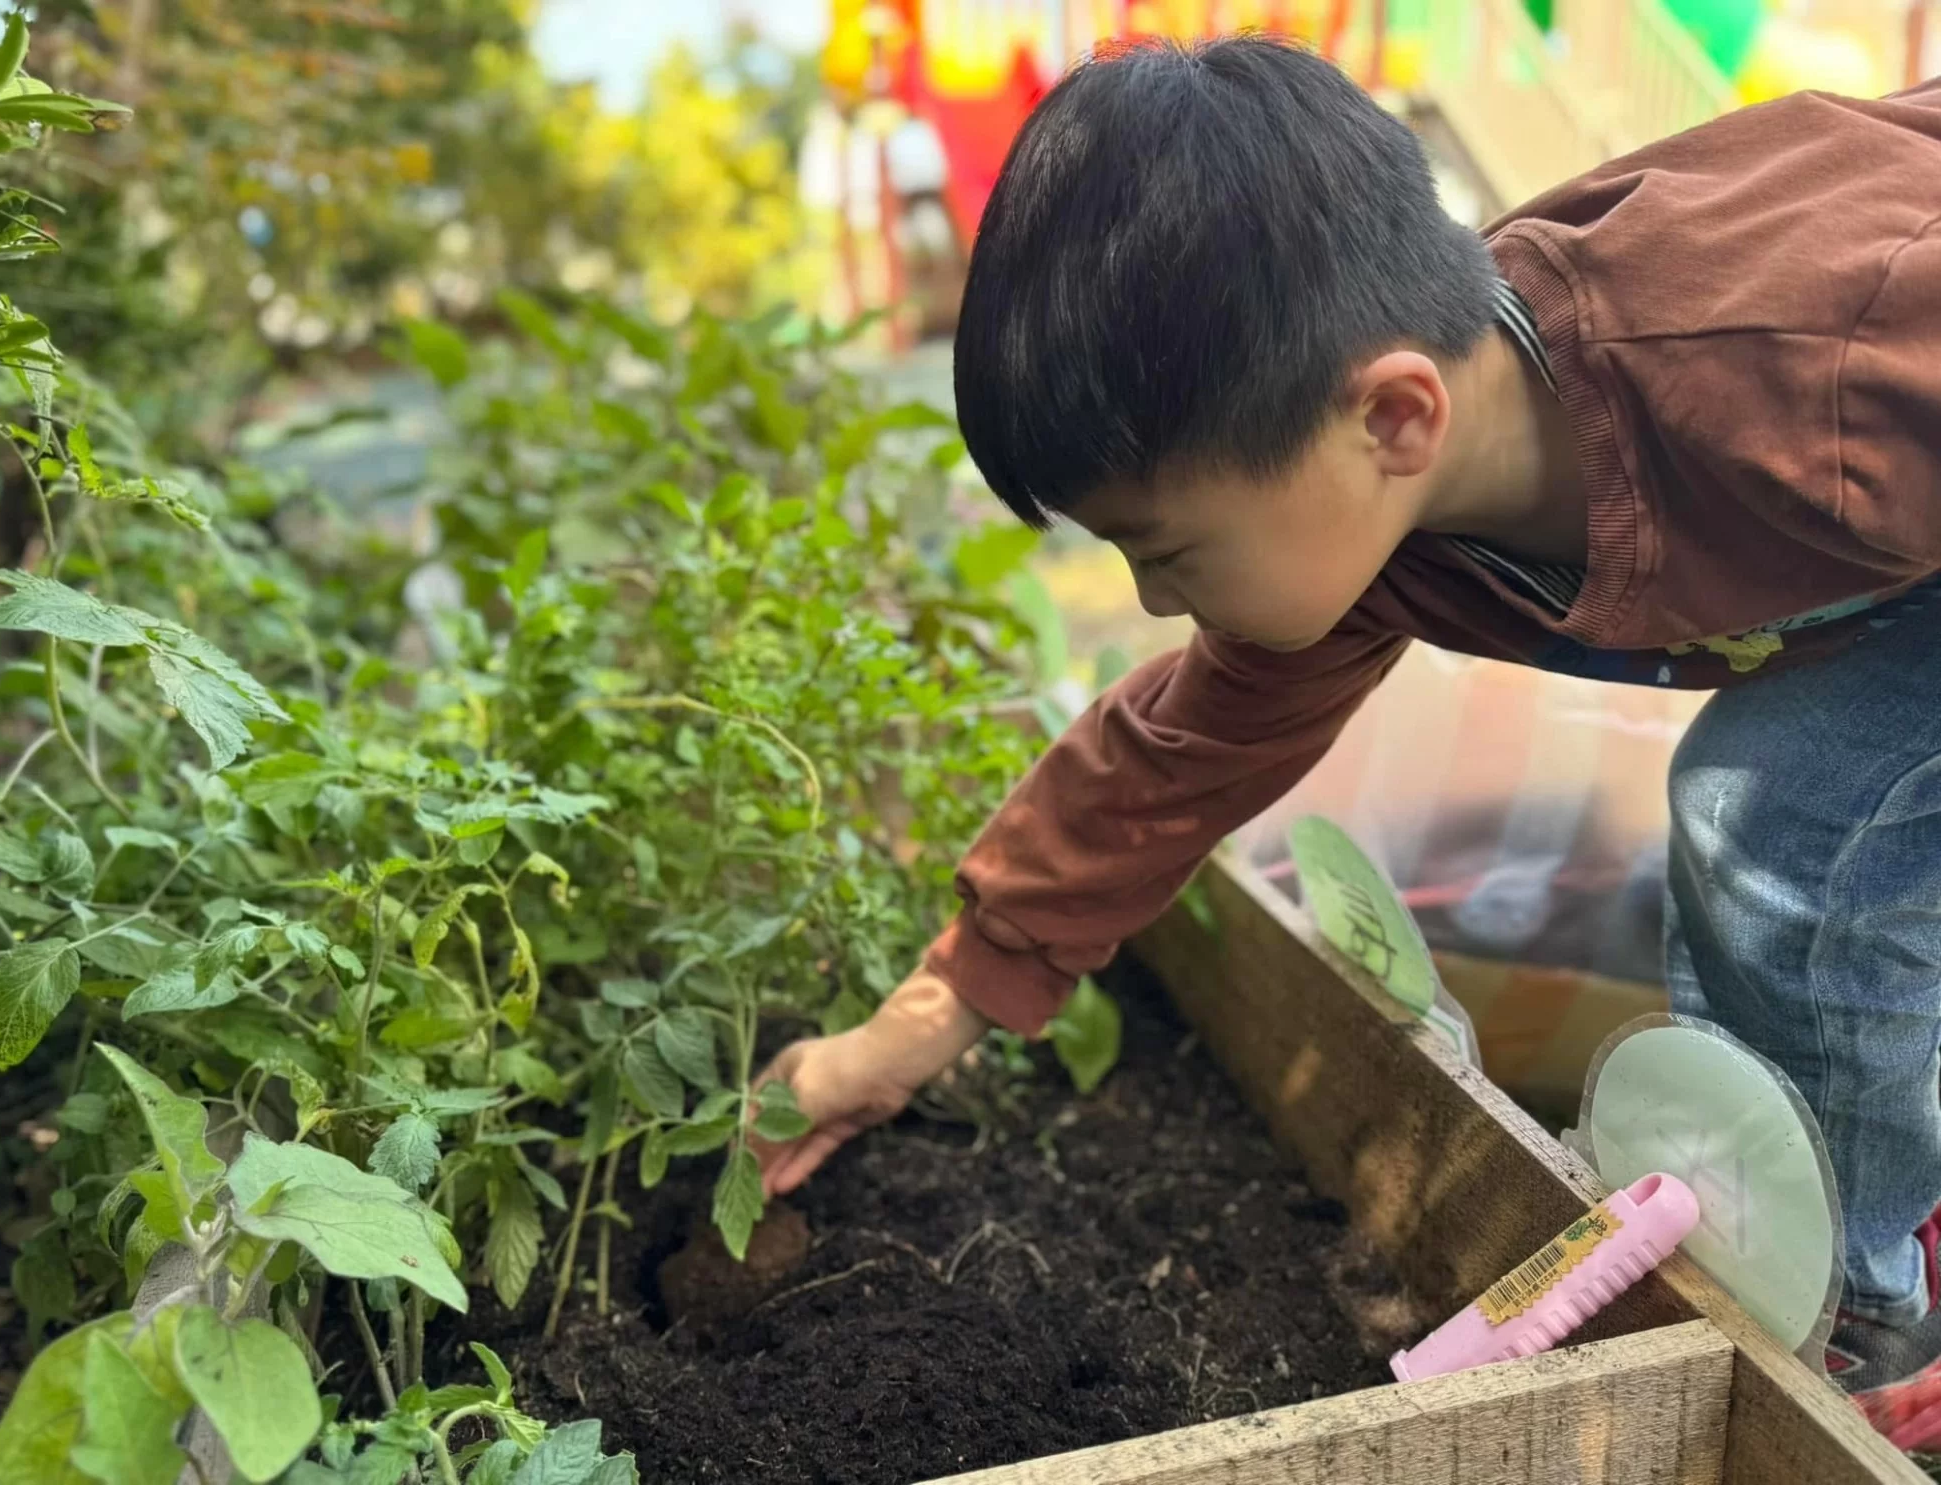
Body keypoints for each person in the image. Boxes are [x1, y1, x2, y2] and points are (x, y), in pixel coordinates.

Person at [754, 33, 1941, 1425]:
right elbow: (1166, 765)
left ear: (1392, 416)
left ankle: (1862, 1328)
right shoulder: (1391, 513)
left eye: (1168, 550)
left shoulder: (1818, 364)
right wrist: (910, 1029)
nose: (1146, 600)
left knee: (1782, 810)